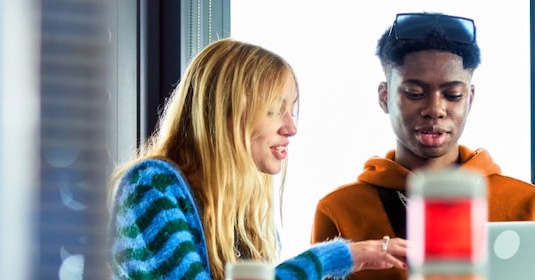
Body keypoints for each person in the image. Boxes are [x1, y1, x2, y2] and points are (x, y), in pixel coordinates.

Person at [110, 38, 409, 280]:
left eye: (292, 111)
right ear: (224, 114)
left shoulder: (243, 219)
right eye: (274, 110)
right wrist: (334, 257)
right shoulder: (151, 186)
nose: (291, 128)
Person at [311, 13, 535, 280]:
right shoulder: (339, 210)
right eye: (414, 93)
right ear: (384, 96)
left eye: (453, 95)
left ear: (470, 100)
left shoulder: (525, 204)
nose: (435, 109)